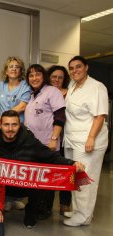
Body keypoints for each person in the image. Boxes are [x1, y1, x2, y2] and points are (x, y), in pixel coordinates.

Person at [0, 110, 85, 228]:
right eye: (6, 124)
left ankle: (31, 211)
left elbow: (49, 155)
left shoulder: (29, 139)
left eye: (14, 125)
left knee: (41, 174)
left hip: (25, 186)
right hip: (1, 186)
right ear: (0, 125)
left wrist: (72, 163)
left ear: (19, 125)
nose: (10, 129)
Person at [63, 56, 109, 227]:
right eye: (72, 68)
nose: (75, 70)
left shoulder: (97, 87)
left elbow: (100, 115)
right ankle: (77, 210)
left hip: (88, 139)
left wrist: (91, 138)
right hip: (73, 137)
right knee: (74, 176)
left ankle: (84, 216)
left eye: (78, 67)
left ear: (86, 67)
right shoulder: (72, 85)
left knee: (85, 178)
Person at [24, 64, 66, 220]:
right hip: (33, 145)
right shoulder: (32, 95)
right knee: (36, 176)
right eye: (31, 75)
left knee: (47, 177)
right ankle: (36, 207)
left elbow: (60, 117)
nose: (34, 78)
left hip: (48, 143)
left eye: (37, 75)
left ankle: (45, 209)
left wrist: (54, 139)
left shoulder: (52, 92)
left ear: (44, 76)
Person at [0, 56, 31, 211]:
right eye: (11, 66)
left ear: (21, 70)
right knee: (3, 165)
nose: (14, 69)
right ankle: (4, 198)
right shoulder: (0, 86)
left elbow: (22, 106)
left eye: (17, 67)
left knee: (17, 165)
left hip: (18, 130)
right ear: (6, 70)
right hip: (2, 131)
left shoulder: (25, 86)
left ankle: (16, 198)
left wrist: (6, 117)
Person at [48, 64, 72, 215]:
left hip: (65, 138)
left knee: (66, 170)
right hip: (48, 138)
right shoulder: (44, 92)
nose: (57, 79)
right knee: (50, 171)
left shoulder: (69, 93)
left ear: (65, 79)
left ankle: (64, 203)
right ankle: (47, 205)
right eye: (54, 77)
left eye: (60, 77)